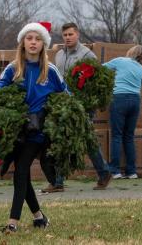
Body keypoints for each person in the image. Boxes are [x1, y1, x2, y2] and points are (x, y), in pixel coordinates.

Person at [0, 21, 65, 232]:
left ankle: (12, 223)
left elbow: (65, 97)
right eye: (29, 38)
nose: (33, 42)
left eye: (37, 39)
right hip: (18, 129)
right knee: (22, 173)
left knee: (21, 171)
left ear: (44, 44)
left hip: (39, 130)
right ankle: (39, 217)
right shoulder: (12, 69)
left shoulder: (50, 70)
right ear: (22, 42)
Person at [40, 22, 112, 192]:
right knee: (61, 138)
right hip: (63, 105)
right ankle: (58, 181)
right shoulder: (58, 55)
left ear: (77, 34)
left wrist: (87, 103)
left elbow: (95, 83)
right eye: (65, 35)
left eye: (70, 34)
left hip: (82, 105)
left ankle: (102, 173)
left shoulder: (87, 55)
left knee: (85, 140)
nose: (68, 38)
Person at [103, 45, 142, 180]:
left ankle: (115, 171)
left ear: (131, 53)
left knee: (116, 136)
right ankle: (131, 171)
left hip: (119, 98)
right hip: (135, 101)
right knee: (129, 136)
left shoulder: (121, 61)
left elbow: (101, 68)